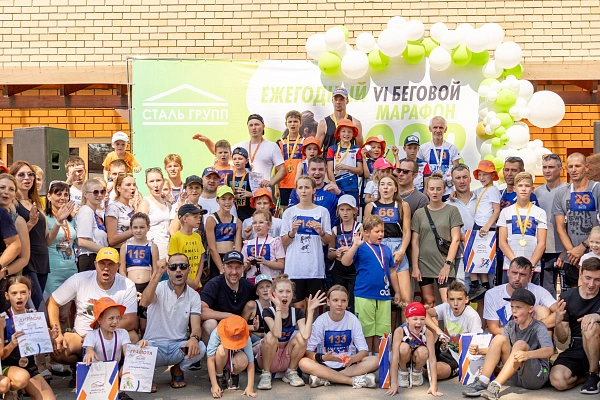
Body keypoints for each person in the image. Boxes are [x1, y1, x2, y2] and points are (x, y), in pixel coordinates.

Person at [48, 247, 138, 381]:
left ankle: (119, 371)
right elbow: (52, 302)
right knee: (58, 349)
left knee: (133, 337)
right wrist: (58, 333)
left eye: (111, 264)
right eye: (102, 263)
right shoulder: (80, 279)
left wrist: (97, 334)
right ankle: (80, 368)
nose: (106, 268)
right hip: (81, 336)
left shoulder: (127, 284)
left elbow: (130, 320)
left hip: (112, 334)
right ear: (95, 264)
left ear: (118, 266)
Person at [463, 288, 554, 400]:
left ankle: (495, 386)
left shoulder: (538, 327)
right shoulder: (511, 325)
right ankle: (483, 381)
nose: (514, 311)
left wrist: (527, 355)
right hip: (514, 375)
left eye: (518, 307)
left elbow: (549, 350)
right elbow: (499, 348)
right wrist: (480, 351)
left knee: (520, 344)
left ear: (530, 309)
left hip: (537, 376)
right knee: (499, 338)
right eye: (512, 307)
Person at [140, 253, 206, 391]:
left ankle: (178, 370)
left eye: (182, 266)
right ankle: (146, 376)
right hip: (154, 346)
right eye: (173, 267)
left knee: (200, 347)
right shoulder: (158, 287)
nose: (178, 270)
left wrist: (194, 338)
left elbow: (196, 327)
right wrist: (158, 273)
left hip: (178, 347)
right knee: (139, 350)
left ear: (189, 269)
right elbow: (144, 302)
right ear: (168, 270)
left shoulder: (194, 295)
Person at [341, 215, 401, 355]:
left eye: (382, 231)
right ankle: (366, 357)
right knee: (366, 329)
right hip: (364, 294)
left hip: (384, 295)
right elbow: (345, 262)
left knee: (382, 330)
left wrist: (397, 291)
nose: (381, 234)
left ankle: (380, 359)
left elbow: (392, 271)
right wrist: (355, 245)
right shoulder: (360, 247)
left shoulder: (386, 249)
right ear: (367, 232)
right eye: (377, 231)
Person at [298, 285, 378, 389]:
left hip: (347, 366)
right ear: (328, 302)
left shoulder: (353, 319)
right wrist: (323, 357)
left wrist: (352, 359)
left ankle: (326, 378)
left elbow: (364, 351)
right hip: (325, 365)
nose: (339, 304)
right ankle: (351, 381)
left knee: (375, 361)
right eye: (335, 300)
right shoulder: (321, 321)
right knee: (303, 363)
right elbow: (308, 351)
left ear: (347, 303)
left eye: (343, 301)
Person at [256, 275, 326, 389]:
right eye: (281, 291)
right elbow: (277, 333)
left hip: (286, 357)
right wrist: (278, 308)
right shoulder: (268, 312)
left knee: (301, 337)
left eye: (288, 291)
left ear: (292, 294)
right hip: (269, 358)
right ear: (274, 294)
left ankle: (291, 372)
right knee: (271, 336)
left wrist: (310, 311)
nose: (285, 295)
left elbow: (306, 335)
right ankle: (266, 374)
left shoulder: (297, 312)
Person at [195, 114, 286, 192]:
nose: (254, 128)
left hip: (262, 192)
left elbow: (282, 170)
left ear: (263, 126)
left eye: (257, 124)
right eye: (251, 125)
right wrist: (207, 141)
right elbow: (221, 152)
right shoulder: (241, 145)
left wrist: (271, 182)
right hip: (242, 192)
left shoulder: (272, 146)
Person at [411, 172, 463, 307]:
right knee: (429, 301)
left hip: (444, 261)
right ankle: (433, 323)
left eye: (439, 189)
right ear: (426, 190)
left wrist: (447, 265)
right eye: (432, 189)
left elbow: (456, 239)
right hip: (424, 263)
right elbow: (415, 242)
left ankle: (448, 323)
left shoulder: (452, 210)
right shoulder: (419, 213)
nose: (435, 192)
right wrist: (415, 267)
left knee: (448, 302)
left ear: (444, 191)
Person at [281, 175, 332, 313]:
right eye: (300, 188)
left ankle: (311, 328)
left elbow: (328, 240)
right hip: (295, 268)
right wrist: (292, 232)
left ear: (314, 190)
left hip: (314, 268)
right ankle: (300, 328)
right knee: (298, 308)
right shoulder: (289, 212)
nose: (303, 191)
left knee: (312, 307)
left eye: (307, 187)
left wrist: (321, 232)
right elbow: (284, 241)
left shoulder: (322, 212)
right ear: (296, 190)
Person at [550, 257, 600, 394]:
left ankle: (593, 374)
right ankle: (586, 377)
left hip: (597, 343)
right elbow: (562, 339)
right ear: (580, 274)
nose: (591, 284)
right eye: (588, 278)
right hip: (577, 347)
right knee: (557, 380)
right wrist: (558, 321)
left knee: (590, 324)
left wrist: (597, 317)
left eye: (597, 280)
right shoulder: (567, 297)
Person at [0, 276, 56, 400]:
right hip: (7, 366)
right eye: (14, 293)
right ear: (7, 295)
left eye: (23, 292)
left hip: (29, 366)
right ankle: (12, 390)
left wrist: (51, 339)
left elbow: (41, 351)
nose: (19, 297)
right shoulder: (3, 320)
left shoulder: (35, 317)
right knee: (22, 378)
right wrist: (12, 344)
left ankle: (21, 388)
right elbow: (1, 355)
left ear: (29, 293)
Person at [82, 297, 146, 400]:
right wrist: (89, 351)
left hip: (115, 371)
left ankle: (119, 392)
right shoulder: (92, 335)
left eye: (118, 317)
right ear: (99, 319)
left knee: (127, 367)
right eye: (111, 318)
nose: (115, 321)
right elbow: (89, 349)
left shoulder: (123, 333)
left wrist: (140, 347)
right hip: (97, 373)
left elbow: (128, 353)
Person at [553, 152, 600, 288]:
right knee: (576, 294)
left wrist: (583, 247)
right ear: (566, 169)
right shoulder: (561, 194)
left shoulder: (597, 189)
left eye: (577, 166)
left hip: (595, 254)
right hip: (572, 258)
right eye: (570, 166)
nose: (574, 170)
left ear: (586, 167)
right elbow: (560, 228)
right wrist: (572, 252)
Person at [364, 175, 412, 306]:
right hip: (378, 248)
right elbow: (366, 232)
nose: (386, 187)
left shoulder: (403, 205)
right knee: (378, 297)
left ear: (395, 188)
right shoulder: (370, 206)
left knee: (405, 300)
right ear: (378, 188)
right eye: (383, 184)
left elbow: (407, 232)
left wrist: (402, 251)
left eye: (389, 184)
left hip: (397, 247)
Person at [10, 160, 49, 310]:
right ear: (13, 177)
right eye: (21, 175)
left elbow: (47, 239)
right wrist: (31, 223)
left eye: (30, 174)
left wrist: (59, 221)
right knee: (40, 309)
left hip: (43, 261)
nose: (27, 178)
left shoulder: (36, 201)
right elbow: (14, 237)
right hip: (27, 261)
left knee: (32, 310)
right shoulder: (13, 204)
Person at [483, 257, 557, 335]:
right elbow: (493, 329)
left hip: (533, 335)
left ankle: (545, 343)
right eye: (514, 273)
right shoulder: (492, 294)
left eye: (522, 274)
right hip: (506, 337)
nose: (517, 278)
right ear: (508, 273)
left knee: (542, 310)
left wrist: (533, 327)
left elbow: (560, 311)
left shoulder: (538, 291)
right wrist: (519, 334)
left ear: (530, 276)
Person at [425, 280, 482, 380]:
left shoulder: (472, 316)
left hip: (457, 357)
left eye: (459, 299)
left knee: (434, 372)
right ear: (447, 299)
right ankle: (421, 366)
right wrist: (437, 329)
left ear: (466, 299)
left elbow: (477, 343)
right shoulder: (446, 307)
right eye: (452, 299)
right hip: (443, 348)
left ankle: (421, 368)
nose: (455, 303)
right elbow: (422, 312)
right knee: (421, 321)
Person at [498, 172, 547, 285]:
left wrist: (530, 266)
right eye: (520, 186)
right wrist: (515, 264)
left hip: (533, 268)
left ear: (532, 189)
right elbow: (502, 242)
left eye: (527, 186)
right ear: (514, 188)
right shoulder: (505, 212)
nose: (523, 189)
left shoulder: (540, 213)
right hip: (510, 266)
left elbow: (541, 243)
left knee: (531, 296)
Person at [386, 302, 442, 396]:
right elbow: (395, 357)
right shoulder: (399, 331)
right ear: (407, 319)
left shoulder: (428, 333)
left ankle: (417, 370)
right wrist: (394, 383)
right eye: (415, 319)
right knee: (403, 348)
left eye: (422, 319)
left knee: (424, 351)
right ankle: (403, 370)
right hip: (403, 356)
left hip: (417, 357)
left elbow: (432, 359)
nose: (419, 322)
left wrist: (434, 386)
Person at [200, 250, 256, 343]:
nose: (234, 272)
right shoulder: (213, 284)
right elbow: (202, 311)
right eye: (230, 267)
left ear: (243, 268)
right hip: (218, 329)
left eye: (238, 267)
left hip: (239, 329)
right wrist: (229, 316)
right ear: (223, 268)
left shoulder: (248, 286)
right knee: (209, 324)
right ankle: (211, 351)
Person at [44, 181, 77, 328]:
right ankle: (51, 341)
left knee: (64, 316)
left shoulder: (72, 219)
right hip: (53, 271)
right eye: (58, 194)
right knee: (52, 316)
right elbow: (48, 241)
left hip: (70, 270)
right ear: (49, 196)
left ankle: (61, 342)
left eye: (66, 194)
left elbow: (74, 242)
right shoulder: (45, 217)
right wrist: (58, 221)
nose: (63, 198)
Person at [534, 153, 568, 296]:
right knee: (547, 294)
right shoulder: (537, 192)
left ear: (560, 169)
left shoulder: (569, 190)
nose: (547, 171)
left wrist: (566, 251)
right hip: (544, 250)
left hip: (565, 250)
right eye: (545, 167)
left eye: (551, 167)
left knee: (568, 293)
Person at [467, 160, 501, 301]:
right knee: (478, 256)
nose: (482, 177)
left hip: (486, 227)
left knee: (475, 255)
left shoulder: (493, 190)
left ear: (492, 175)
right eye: (480, 175)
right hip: (479, 224)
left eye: (485, 174)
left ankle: (477, 284)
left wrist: (487, 226)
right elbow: (469, 193)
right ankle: (483, 285)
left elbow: (496, 210)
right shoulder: (481, 190)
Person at [119, 212, 158, 332]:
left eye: (142, 227)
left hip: (147, 286)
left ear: (148, 228)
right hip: (131, 288)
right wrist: (130, 289)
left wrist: (149, 289)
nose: (138, 230)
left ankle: (146, 342)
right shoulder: (125, 246)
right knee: (133, 324)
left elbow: (156, 270)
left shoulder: (152, 246)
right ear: (131, 228)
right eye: (135, 227)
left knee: (145, 324)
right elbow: (122, 269)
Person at [327, 195, 362, 313]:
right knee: (339, 297)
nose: (345, 213)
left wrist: (352, 250)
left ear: (354, 211)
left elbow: (364, 249)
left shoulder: (359, 227)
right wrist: (336, 253)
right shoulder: (335, 229)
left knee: (352, 301)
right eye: (342, 210)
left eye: (348, 209)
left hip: (355, 268)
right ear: (338, 211)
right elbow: (329, 254)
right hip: (339, 269)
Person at [207, 315, 256, 398]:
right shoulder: (216, 333)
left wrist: (250, 387)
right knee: (221, 350)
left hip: (235, 356)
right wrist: (214, 385)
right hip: (220, 359)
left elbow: (251, 361)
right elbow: (210, 359)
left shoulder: (245, 335)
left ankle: (234, 375)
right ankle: (219, 376)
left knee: (243, 359)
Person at [0, 174, 29, 312]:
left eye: (11, 189)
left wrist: (4, 272)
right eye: (2, 187)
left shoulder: (18, 221)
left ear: (14, 195)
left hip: (8, 279)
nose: (6, 192)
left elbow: (24, 257)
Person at [288, 156, 342, 227]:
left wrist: (339, 193)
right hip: (304, 231)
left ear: (325, 170)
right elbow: (290, 215)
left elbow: (349, 209)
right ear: (307, 170)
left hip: (329, 232)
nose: (317, 173)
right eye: (313, 169)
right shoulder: (298, 191)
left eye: (321, 169)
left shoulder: (333, 190)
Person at [417, 116, 461, 196]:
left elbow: (457, 172)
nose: (438, 130)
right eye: (435, 127)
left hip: (447, 192)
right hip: (430, 192)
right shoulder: (423, 148)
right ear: (430, 129)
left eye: (441, 127)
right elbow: (419, 171)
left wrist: (456, 190)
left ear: (445, 129)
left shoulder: (452, 148)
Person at [206, 186, 242, 279]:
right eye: (223, 199)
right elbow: (212, 247)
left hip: (231, 257)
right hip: (217, 257)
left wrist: (235, 264)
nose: (227, 202)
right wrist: (221, 269)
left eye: (230, 199)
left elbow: (238, 246)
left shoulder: (237, 221)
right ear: (217, 200)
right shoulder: (211, 219)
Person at [446, 164, 474, 284]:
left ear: (470, 179)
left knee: (485, 292)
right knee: (461, 292)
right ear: (452, 182)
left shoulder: (482, 199)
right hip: (460, 257)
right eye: (458, 178)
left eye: (465, 177)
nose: (462, 181)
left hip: (484, 255)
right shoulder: (447, 205)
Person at [168, 204, 206, 291]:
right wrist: (188, 281)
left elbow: (201, 259)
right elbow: (173, 262)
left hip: (196, 282)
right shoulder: (176, 238)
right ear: (185, 219)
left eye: (199, 217)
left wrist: (197, 279)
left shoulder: (197, 236)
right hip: (181, 283)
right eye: (195, 217)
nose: (199, 219)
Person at [326, 119, 363, 205]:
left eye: (349, 132)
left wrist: (346, 167)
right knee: (337, 210)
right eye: (343, 131)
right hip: (337, 186)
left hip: (352, 188)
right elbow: (329, 170)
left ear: (353, 134)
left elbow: (360, 171)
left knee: (352, 210)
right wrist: (334, 185)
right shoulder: (332, 149)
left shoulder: (357, 149)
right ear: (338, 133)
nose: (346, 134)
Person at [242, 210, 285, 283]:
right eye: (254, 223)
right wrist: (248, 264)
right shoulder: (248, 243)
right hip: (252, 279)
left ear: (269, 225)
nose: (257, 225)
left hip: (271, 279)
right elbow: (242, 267)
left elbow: (281, 265)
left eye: (261, 222)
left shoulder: (275, 241)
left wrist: (266, 262)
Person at [75, 178, 109, 272]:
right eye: (95, 192)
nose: (100, 195)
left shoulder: (95, 213)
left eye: (102, 192)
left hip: (97, 256)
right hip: (88, 257)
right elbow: (82, 241)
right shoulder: (86, 211)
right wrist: (106, 251)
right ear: (85, 194)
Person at [137, 167, 171, 260]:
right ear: (146, 184)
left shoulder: (168, 205)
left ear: (163, 182)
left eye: (158, 180)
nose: (156, 185)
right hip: (151, 252)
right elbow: (138, 229)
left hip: (167, 251)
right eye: (151, 181)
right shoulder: (145, 203)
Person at [316, 87, 364, 151]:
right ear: (332, 101)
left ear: (347, 101)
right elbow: (317, 149)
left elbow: (360, 150)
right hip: (329, 157)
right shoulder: (323, 123)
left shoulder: (355, 123)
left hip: (348, 157)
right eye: (335, 99)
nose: (338, 102)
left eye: (341, 99)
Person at [277, 110, 305, 206]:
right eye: (290, 122)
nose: (293, 124)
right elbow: (277, 166)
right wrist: (276, 187)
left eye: (295, 121)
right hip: (284, 183)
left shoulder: (304, 141)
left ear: (300, 123)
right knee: (286, 210)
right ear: (286, 124)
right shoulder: (280, 142)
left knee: (301, 208)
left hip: (300, 183)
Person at [105, 173, 138, 248]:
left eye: (134, 185)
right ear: (118, 188)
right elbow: (111, 240)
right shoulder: (113, 207)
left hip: (133, 250)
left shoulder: (132, 208)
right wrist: (134, 231)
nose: (132, 188)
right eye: (128, 185)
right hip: (119, 250)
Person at [226, 147, 254, 221]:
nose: (237, 161)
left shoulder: (252, 177)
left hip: (248, 214)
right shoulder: (228, 177)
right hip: (232, 214)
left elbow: (259, 195)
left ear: (246, 161)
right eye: (234, 159)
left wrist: (251, 194)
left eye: (240, 159)